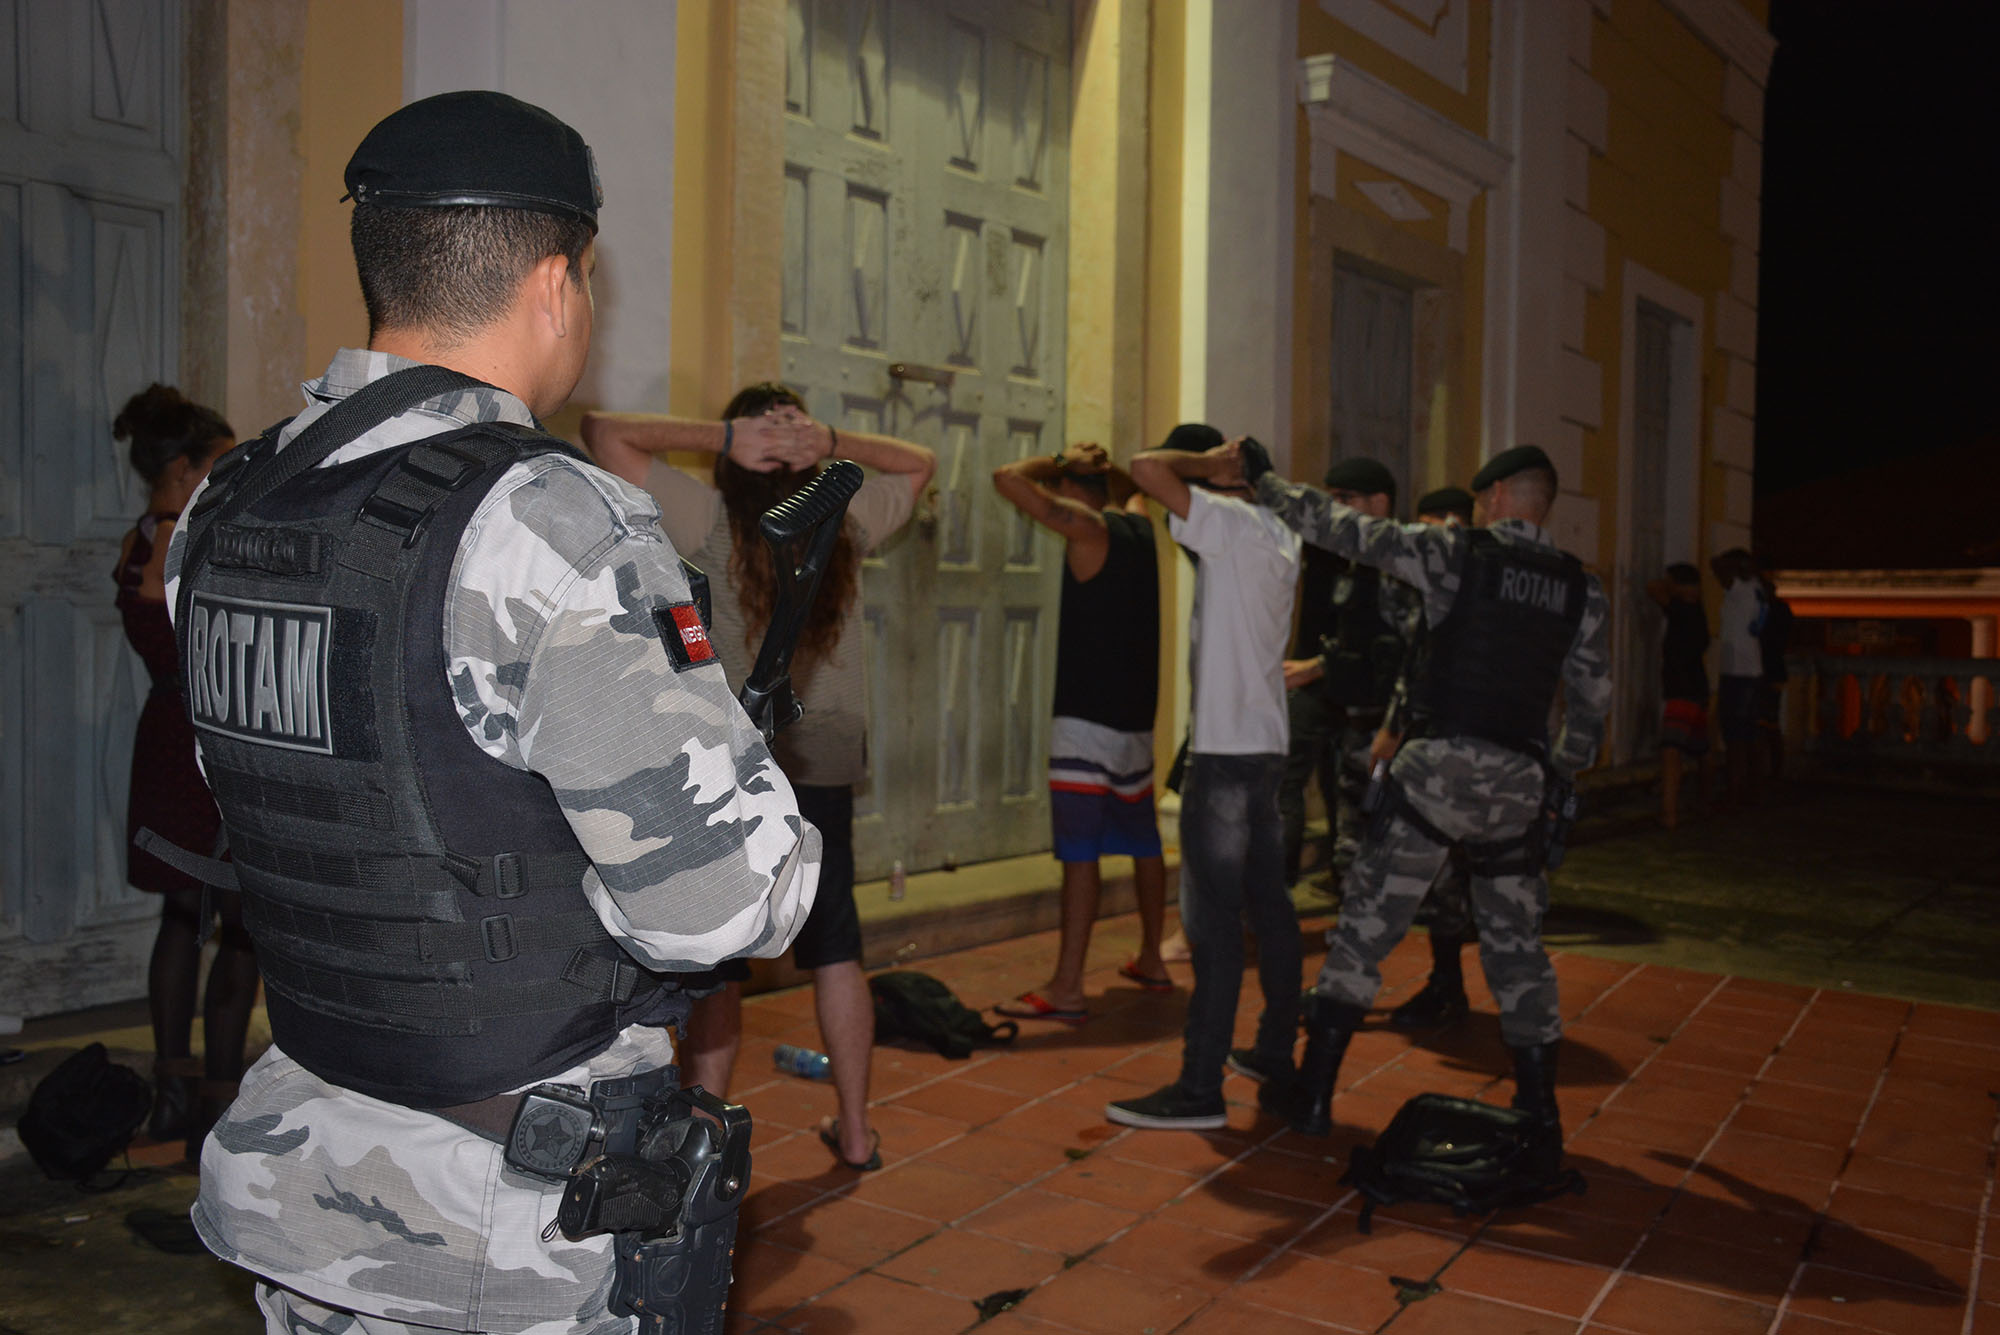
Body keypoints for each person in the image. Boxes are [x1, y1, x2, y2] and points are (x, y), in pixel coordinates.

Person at [166, 91, 820, 1335]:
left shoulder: (232, 505)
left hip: (302, 1171)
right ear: (555, 281)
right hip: (500, 1230)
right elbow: (729, 907)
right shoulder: (551, 524)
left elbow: (297, 805)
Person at [583, 384, 932, 1174]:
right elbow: (918, 464)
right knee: (836, 942)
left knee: (722, 959)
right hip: (823, 755)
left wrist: (732, 433)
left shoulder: (708, 520)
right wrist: (827, 441)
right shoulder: (842, 524)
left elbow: (608, 430)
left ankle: (702, 1142)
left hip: (736, 762)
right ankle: (853, 1130)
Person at [1237, 441, 1610, 1170]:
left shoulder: (1454, 555)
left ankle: (1313, 1093)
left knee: (1365, 933)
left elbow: (1343, 530)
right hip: (1518, 785)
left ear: (1498, 496)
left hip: (1437, 773)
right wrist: (1559, 774)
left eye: (1480, 499)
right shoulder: (1580, 588)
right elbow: (1592, 707)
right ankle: (1539, 1113)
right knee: (1518, 951)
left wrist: (1265, 480)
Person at [1105, 425, 1302, 1131]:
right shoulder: (1279, 532)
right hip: (1265, 747)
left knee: (1212, 926)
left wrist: (1209, 465)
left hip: (1225, 756)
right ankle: (1276, 1049)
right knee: (1269, 906)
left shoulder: (1234, 523)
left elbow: (1144, 465)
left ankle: (1199, 1088)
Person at [111, 384, 260, 1156]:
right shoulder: (178, 536)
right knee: (238, 929)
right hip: (202, 738)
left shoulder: (142, 534)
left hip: (168, 732)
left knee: (182, 919)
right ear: (181, 468)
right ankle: (213, 1106)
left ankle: (179, 1096)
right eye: (219, 465)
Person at [987, 442, 1168, 1023]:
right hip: (1136, 719)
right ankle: (1151, 958)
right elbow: (1127, 487)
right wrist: (1093, 464)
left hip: (1087, 723)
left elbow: (1006, 477)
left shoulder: (1090, 530)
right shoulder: (1142, 523)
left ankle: (1067, 987)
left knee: (1080, 854)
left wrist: (1055, 460)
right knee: (1143, 841)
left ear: (1070, 489)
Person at [1372, 484, 1479, 1028]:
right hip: (1437, 744)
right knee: (1439, 876)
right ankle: (1446, 986)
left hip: (1451, 749)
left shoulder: (1469, 580)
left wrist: (1393, 730)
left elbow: (1424, 663)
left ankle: (1445, 988)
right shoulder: (1439, 579)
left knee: (1441, 875)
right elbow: (1407, 649)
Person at [1277, 459, 1404, 889]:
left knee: (1354, 799)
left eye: (1344, 499)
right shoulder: (1330, 546)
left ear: (1379, 503)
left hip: (1370, 704)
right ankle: (1280, 888)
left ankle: (1353, 887)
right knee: (1288, 779)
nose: (1334, 509)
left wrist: (1321, 667)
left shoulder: (1401, 558)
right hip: (1322, 690)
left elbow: (1397, 646)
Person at [1647, 562, 1713, 829]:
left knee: (1671, 751)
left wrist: (1670, 587)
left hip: (1682, 692)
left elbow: (1652, 589)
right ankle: (1705, 802)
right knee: (1702, 749)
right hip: (1697, 689)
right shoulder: (1696, 611)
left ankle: (1668, 813)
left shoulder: (1683, 609)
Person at [1712, 546, 1766, 807]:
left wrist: (1731, 564)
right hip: (1749, 669)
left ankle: (1736, 792)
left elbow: (1715, 565)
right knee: (1747, 733)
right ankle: (1752, 788)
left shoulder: (1742, 590)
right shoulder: (1755, 589)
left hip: (1738, 670)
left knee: (1735, 735)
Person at [1755, 556, 1795, 784]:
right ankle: (1773, 770)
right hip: (1773, 669)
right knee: (1769, 724)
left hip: (1769, 670)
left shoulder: (1772, 610)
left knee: (1766, 724)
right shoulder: (1781, 610)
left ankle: (1771, 771)